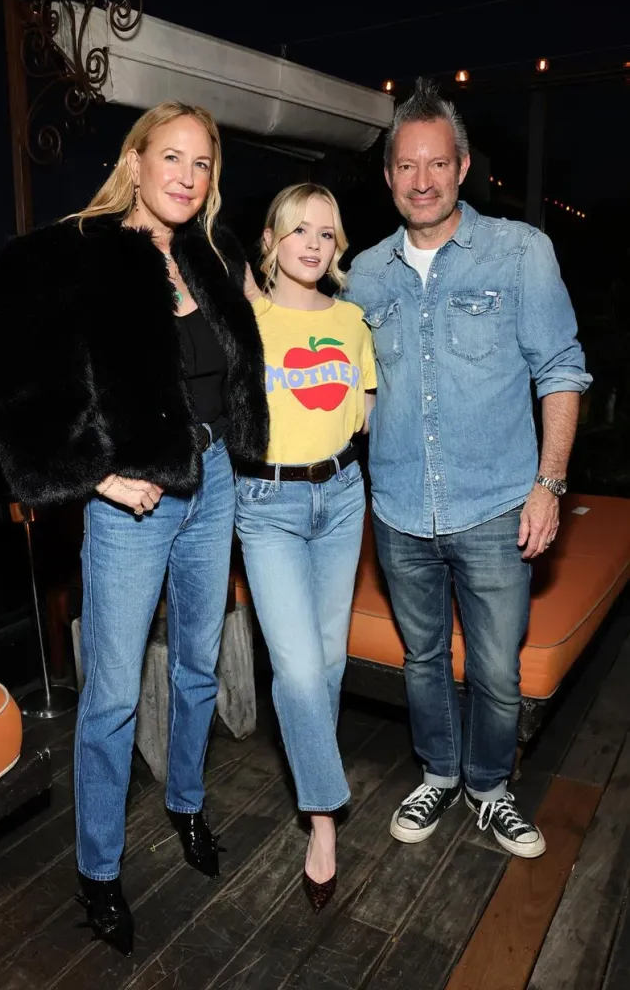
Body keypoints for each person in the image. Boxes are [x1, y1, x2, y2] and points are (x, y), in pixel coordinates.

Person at [0, 101, 269, 956]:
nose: (185, 175)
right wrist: (99, 476)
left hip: (211, 482)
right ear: (134, 161)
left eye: (202, 163)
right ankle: (98, 871)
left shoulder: (209, 258)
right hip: (132, 505)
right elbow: (16, 388)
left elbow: (239, 366)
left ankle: (185, 803)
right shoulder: (78, 253)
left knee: (196, 667)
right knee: (107, 698)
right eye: (170, 157)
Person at [343, 78, 591, 859]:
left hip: (494, 507)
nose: (421, 180)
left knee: (492, 667)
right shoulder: (363, 273)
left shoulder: (520, 251)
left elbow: (560, 368)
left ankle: (488, 788)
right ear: (388, 176)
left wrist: (548, 485)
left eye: (435, 164)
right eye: (405, 167)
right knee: (421, 660)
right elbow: (340, 384)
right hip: (400, 512)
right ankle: (438, 774)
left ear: (461, 167)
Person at [237, 183, 376, 913]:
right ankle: (324, 819)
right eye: (300, 231)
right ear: (271, 240)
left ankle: (316, 806)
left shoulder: (353, 321)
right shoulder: (246, 321)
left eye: (327, 233)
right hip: (266, 504)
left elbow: (365, 414)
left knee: (328, 661)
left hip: (342, 496)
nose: (314, 245)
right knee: (294, 668)